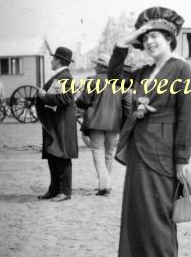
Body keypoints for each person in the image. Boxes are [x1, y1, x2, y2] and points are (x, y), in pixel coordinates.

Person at [107, 7, 191, 257]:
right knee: (138, 213)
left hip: (164, 152)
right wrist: (129, 39)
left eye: (155, 36)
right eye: (145, 39)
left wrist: (182, 160)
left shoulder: (181, 69)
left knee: (159, 215)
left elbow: (187, 118)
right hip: (139, 148)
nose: (150, 42)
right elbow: (113, 74)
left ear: (170, 37)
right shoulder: (143, 72)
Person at [76, 54, 131, 196]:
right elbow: (127, 104)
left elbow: (84, 101)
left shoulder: (92, 81)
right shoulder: (120, 82)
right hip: (114, 124)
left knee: (97, 152)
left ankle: (104, 185)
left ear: (102, 67)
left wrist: (78, 100)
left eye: (96, 65)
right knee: (108, 153)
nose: (94, 67)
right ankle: (105, 183)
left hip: (96, 122)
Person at [35, 46, 78, 202]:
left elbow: (66, 99)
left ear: (59, 60)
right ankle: (54, 189)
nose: (51, 61)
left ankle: (65, 191)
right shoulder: (62, 75)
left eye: (53, 59)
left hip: (61, 124)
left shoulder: (65, 77)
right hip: (55, 123)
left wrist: (44, 96)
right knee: (53, 156)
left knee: (62, 156)